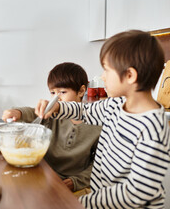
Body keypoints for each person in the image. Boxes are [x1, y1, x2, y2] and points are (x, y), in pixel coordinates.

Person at [36, 30, 170, 208]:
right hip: (102, 198)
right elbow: (84, 111)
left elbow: (137, 193)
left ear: (130, 75)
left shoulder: (153, 128)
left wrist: (80, 202)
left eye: (107, 70)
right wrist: (59, 106)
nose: (102, 76)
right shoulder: (115, 105)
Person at [2, 62, 101, 193]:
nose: (56, 99)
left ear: (81, 91)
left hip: (76, 184)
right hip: (43, 175)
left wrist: (76, 181)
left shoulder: (97, 125)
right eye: (52, 92)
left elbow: (98, 164)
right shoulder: (52, 114)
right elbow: (33, 113)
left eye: (63, 92)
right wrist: (17, 112)